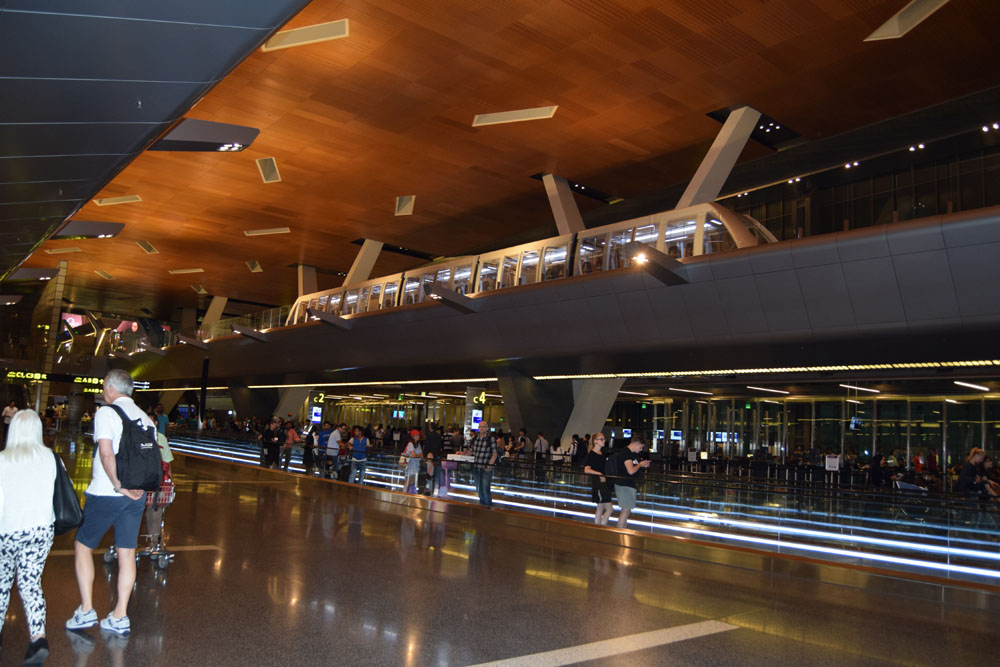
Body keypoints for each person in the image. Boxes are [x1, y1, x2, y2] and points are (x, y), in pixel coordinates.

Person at [66, 369, 152, 636]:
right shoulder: (145, 416)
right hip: (137, 495)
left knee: (83, 546)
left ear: (111, 388)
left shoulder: (107, 412)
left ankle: (86, 609)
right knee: (127, 553)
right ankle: (120, 615)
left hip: (107, 492)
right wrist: (133, 488)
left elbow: (105, 452)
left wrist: (118, 485)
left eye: (105, 387)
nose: (104, 391)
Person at [0, 410, 56, 663]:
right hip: (41, 529)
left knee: (1, 585)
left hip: (8, 529)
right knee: (31, 582)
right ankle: (38, 639)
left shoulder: (3, 460)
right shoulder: (50, 458)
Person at [611, 435, 651, 529]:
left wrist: (642, 465)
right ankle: (620, 531)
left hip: (628, 484)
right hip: (624, 484)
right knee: (625, 510)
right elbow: (631, 471)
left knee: (626, 510)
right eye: (640, 447)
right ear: (636, 444)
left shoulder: (631, 454)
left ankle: (622, 530)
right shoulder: (626, 453)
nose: (641, 449)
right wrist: (640, 465)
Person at [583, 433, 614, 525]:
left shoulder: (602, 454)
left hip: (604, 483)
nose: (604, 441)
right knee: (609, 509)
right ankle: (602, 527)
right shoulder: (591, 454)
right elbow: (586, 469)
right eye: (601, 439)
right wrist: (599, 474)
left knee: (600, 507)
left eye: (604, 439)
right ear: (595, 441)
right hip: (599, 483)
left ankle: (598, 527)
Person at [470, 422, 501, 507]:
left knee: (485, 489)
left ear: (487, 428)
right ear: (478, 428)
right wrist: (461, 454)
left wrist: (489, 466)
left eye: (484, 427)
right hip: (476, 467)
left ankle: (487, 506)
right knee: (479, 489)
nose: (482, 428)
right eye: (480, 426)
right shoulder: (475, 438)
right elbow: (471, 451)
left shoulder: (490, 439)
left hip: (486, 468)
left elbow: (495, 454)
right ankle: (482, 506)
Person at [423, 424, 444, 496]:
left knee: (429, 473)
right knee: (436, 473)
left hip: (430, 457)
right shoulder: (438, 435)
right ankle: (436, 490)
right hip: (437, 457)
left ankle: (429, 489)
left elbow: (427, 445)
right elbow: (440, 445)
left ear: (430, 427)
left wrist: (426, 455)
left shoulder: (429, 435)